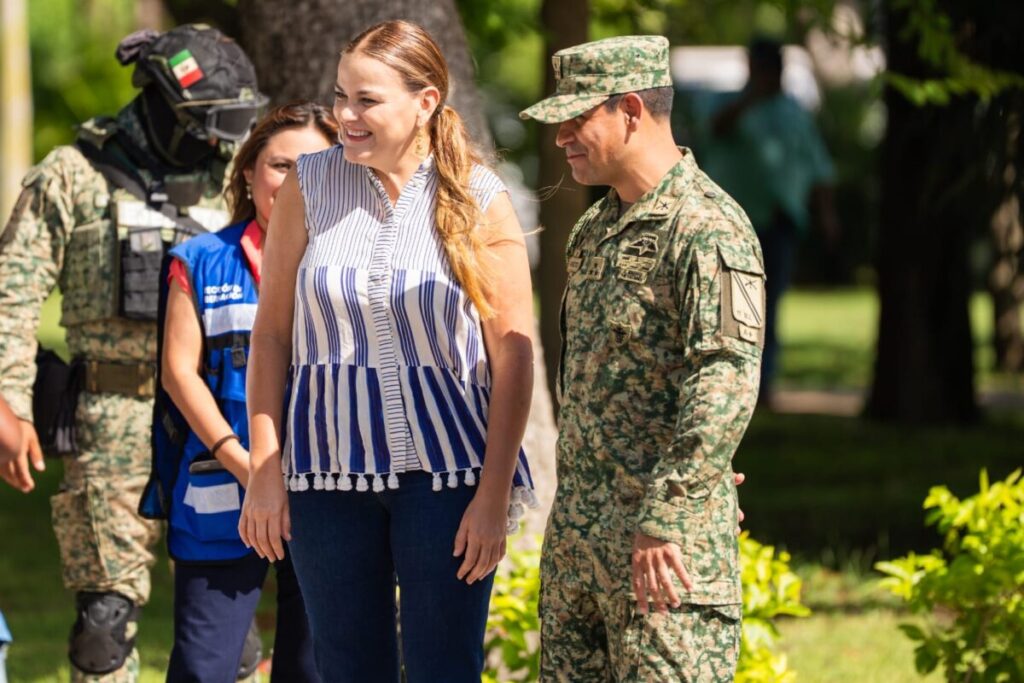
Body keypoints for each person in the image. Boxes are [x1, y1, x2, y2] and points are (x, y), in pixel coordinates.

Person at [238, 19, 537, 683]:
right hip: (325, 476)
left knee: (442, 669)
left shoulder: (480, 198)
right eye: (341, 95)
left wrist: (493, 494)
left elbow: (514, 358)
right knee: (347, 671)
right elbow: (272, 335)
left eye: (366, 100)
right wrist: (265, 465)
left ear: (425, 101)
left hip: (449, 481)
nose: (345, 114)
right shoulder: (307, 187)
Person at [0, 25, 266, 682]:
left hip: (211, 422)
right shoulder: (72, 177)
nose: (217, 140)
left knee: (228, 629)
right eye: (204, 124)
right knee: (103, 625)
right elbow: (12, 293)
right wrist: (6, 399)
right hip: (112, 419)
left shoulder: (237, 178)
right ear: (162, 105)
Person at [520, 36, 764, 681]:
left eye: (578, 118)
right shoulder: (594, 228)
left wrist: (671, 511)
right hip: (579, 551)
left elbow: (725, 377)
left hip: (661, 558)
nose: (562, 137)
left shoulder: (708, 226)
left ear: (630, 109)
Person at [152, 103, 333, 682]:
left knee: (313, 666)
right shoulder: (200, 260)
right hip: (220, 482)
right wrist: (247, 465)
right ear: (250, 171)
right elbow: (179, 372)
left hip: (328, 490)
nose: (294, 180)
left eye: (313, 166)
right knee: (204, 668)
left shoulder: (354, 265)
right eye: (280, 165)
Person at [700, 36, 839, 405]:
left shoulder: (794, 111)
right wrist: (751, 98)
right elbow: (713, 131)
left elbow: (818, 166)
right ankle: (729, 386)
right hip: (734, 227)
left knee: (769, 306)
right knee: (730, 307)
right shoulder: (727, 103)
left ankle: (763, 386)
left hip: (780, 223)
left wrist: (826, 215)